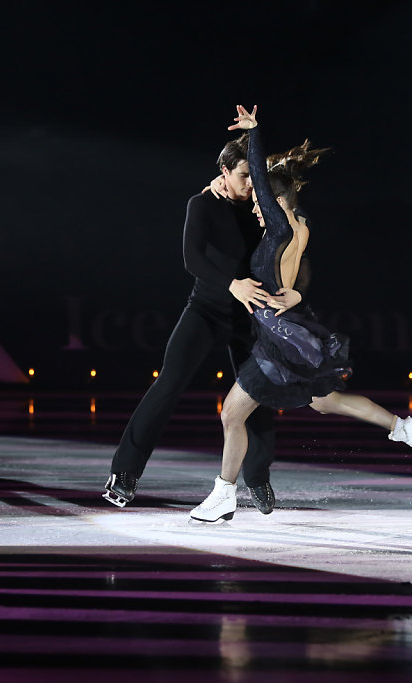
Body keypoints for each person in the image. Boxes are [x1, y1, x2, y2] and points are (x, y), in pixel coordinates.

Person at [190, 105, 412, 524]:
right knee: (329, 402)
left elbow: (259, 178)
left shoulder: (279, 229)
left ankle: (223, 495)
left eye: (259, 201)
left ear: (274, 201)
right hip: (290, 332)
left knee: (232, 413)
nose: (256, 208)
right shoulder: (301, 225)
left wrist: (254, 136)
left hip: (279, 342)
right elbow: (287, 270)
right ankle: (411, 430)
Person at [103, 130, 310, 513]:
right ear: (224, 172)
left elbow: (294, 249)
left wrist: (296, 290)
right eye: (244, 176)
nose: (252, 184)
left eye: (255, 176)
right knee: (168, 384)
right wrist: (233, 285)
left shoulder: (263, 209)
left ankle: (258, 478)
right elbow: (191, 258)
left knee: (256, 398)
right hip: (206, 310)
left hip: (253, 317)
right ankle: (125, 473)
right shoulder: (202, 204)